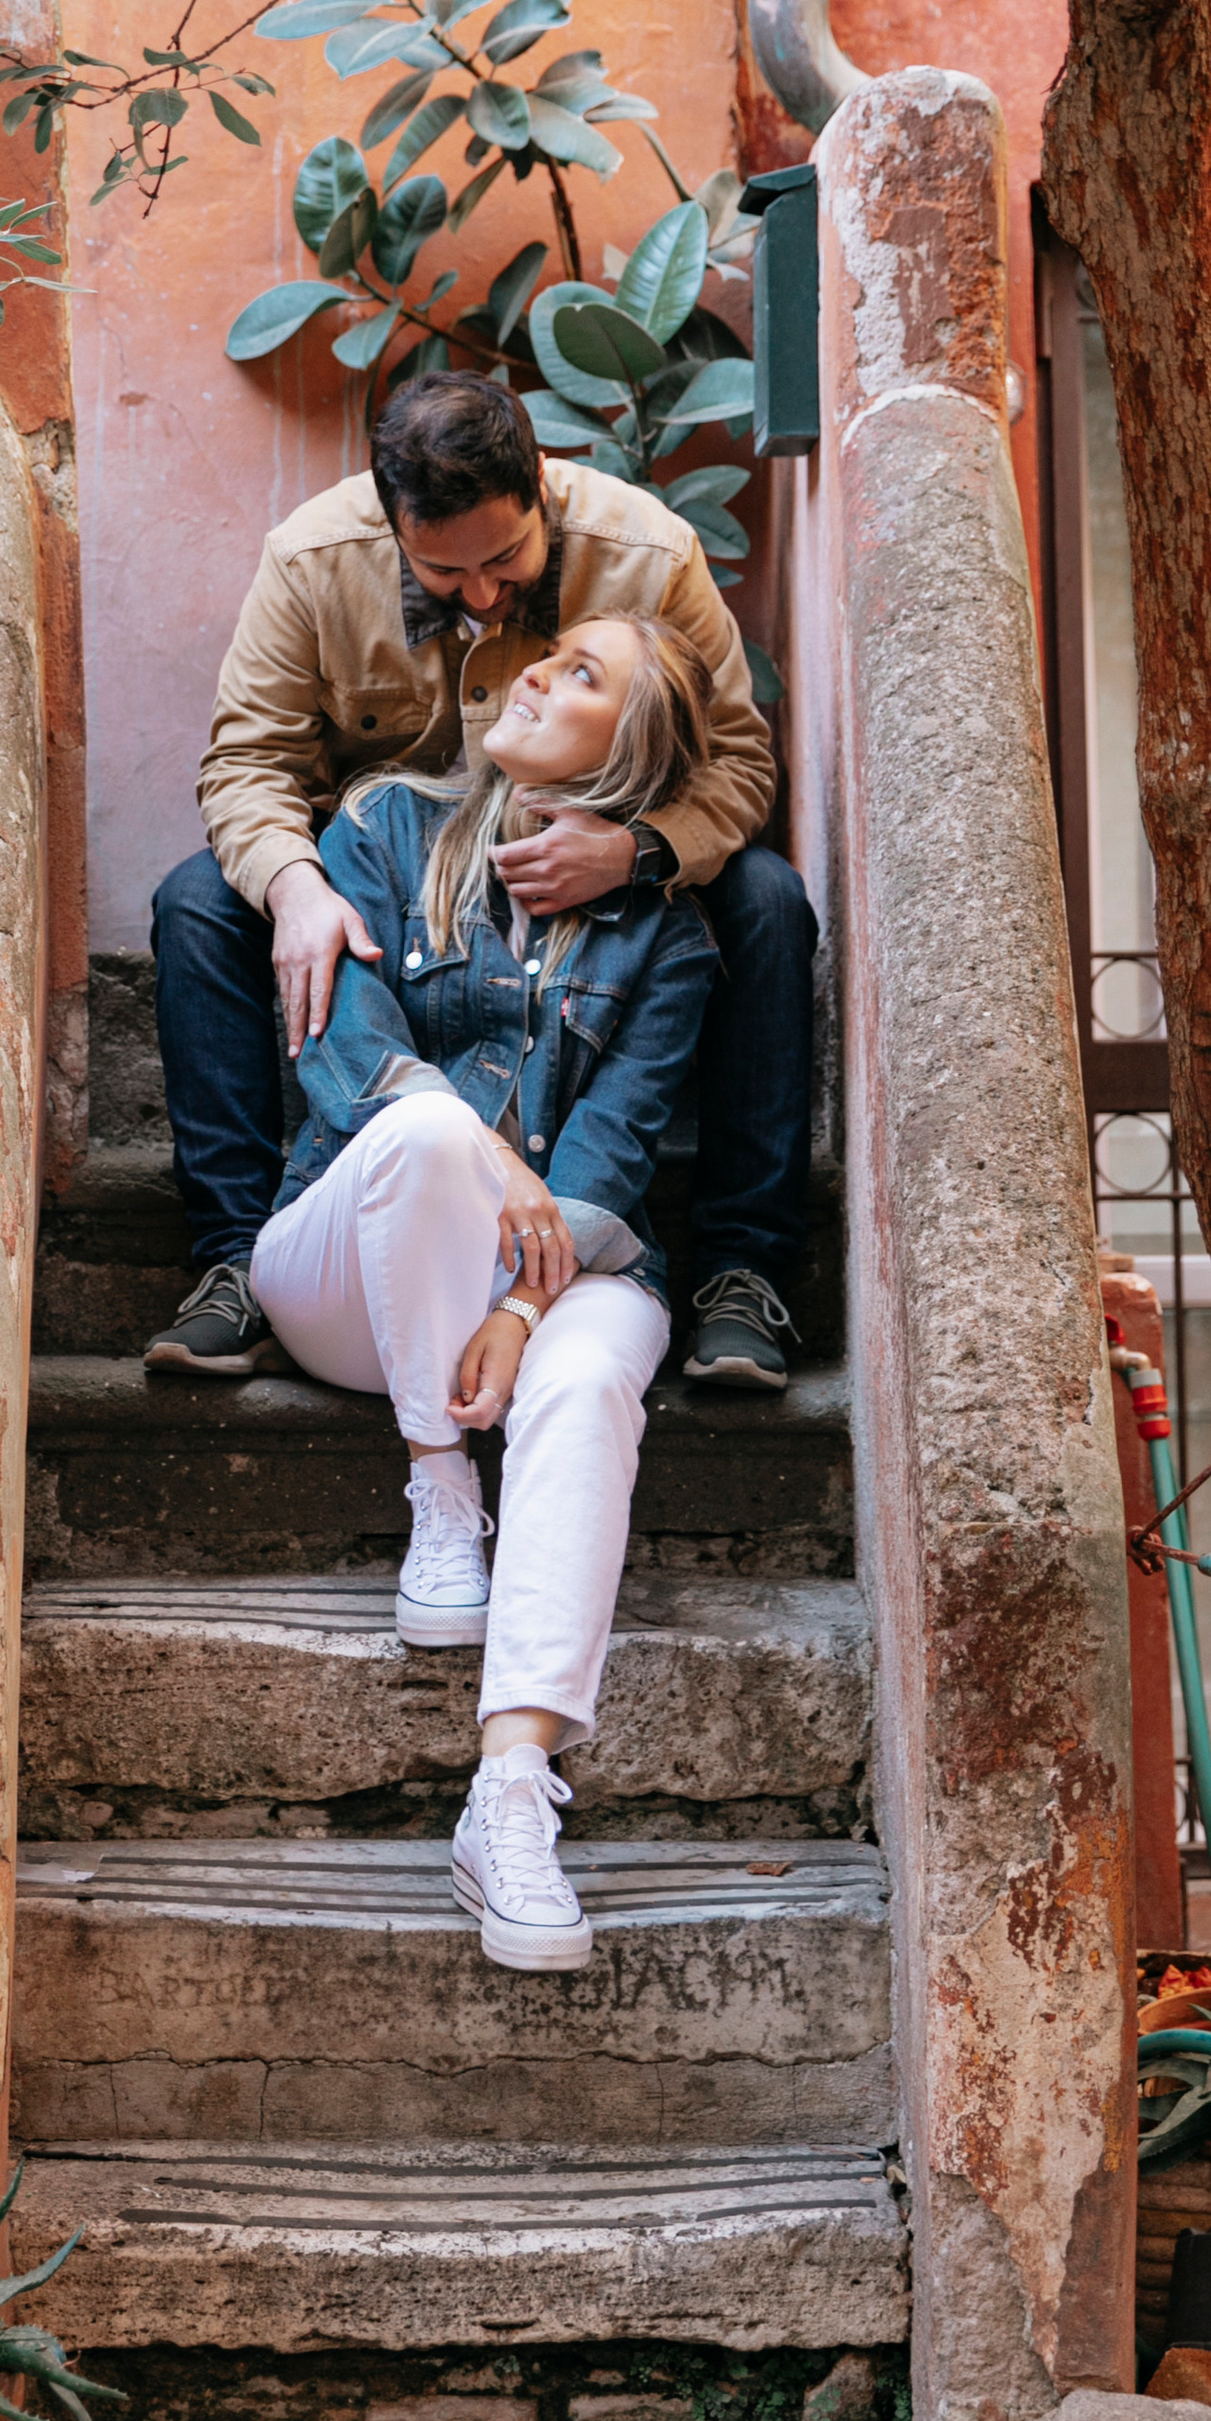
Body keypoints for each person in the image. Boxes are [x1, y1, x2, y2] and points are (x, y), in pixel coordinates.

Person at [147, 374, 816, 1385]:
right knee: (197, 904)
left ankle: (740, 1271)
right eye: (443, 571)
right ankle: (238, 1261)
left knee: (764, 900)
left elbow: (737, 762)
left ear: (542, 486)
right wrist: (296, 888)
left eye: (504, 559)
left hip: (605, 890)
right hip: (379, 876)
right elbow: (248, 765)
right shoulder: (310, 561)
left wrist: (632, 853)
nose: (483, 593)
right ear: (391, 522)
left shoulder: (649, 551)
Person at [247, 610, 721, 1969]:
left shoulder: (667, 948)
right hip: (352, 1267)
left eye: (583, 679)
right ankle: (441, 1492)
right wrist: (492, 1162)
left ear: (622, 756)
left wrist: (518, 1314)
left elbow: (614, 1158)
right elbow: (338, 1053)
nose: (536, 673)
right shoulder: (382, 834)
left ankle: (510, 1794)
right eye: (550, 655)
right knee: (422, 1127)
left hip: (561, 1283)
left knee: (590, 1372)